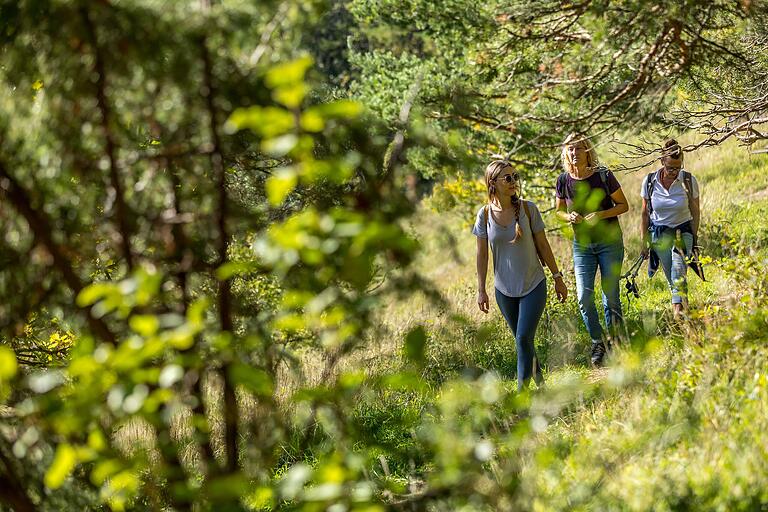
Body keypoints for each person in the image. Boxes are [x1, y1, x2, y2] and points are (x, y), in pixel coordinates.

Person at [473, 160, 568, 391]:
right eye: (507, 178)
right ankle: (542, 387)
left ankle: (521, 394)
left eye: (515, 176)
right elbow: (481, 255)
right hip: (503, 290)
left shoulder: (528, 209)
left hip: (533, 284)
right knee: (522, 341)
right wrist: (481, 289)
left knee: (523, 338)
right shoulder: (484, 215)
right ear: (492, 182)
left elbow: (544, 246)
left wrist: (557, 278)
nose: (513, 181)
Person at [555, 134, 629, 367]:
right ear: (565, 154)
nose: (574, 153)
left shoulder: (603, 176)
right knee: (584, 297)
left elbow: (624, 205)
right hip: (582, 247)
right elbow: (558, 211)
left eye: (578, 148)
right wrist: (569, 216)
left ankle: (616, 342)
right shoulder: (563, 181)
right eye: (570, 149)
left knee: (610, 297)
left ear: (588, 151)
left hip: (610, 243)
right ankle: (599, 341)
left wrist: (601, 214)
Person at [640, 139, 700, 318]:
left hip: (684, 231)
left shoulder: (688, 180)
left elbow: (696, 212)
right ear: (662, 161)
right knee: (672, 277)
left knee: (678, 271)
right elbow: (644, 214)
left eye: (678, 167)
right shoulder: (650, 182)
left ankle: (677, 313)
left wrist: (694, 237)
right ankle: (685, 314)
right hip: (660, 235)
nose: (674, 172)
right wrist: (644, 241)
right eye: (671, 167)